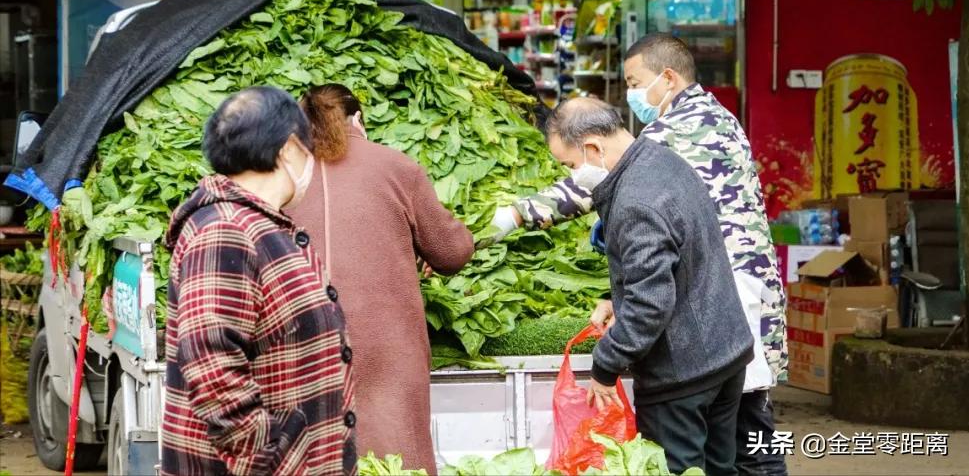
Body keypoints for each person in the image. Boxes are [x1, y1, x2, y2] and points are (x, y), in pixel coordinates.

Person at [491, 33, 788, 476]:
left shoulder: (669, 138)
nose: (632, 94)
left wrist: (513, 216)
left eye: (634, 81)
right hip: (728, 313)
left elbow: (594, 189)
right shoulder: (715, 117)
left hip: (711, 313)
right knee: (737, 443)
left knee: (744, 449)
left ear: (668, 77)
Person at [545, 97, 753, 476]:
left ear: (592, 147)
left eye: (570, 165)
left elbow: (651, 303)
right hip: (725, 353)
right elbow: (675, 259)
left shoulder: (635, 200)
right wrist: (617, 297)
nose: (573, 176)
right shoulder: (661, 160)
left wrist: (606, 364)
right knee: (719, 467)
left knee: (679, 469)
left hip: (685, 372)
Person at [161, 86, 356, 476]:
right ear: (288, 149)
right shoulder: (223, 230)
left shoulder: (265, 226)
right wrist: (269, 458)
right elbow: (213, 367)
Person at [288, 84, 475, 474]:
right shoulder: (396, 166)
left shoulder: (282, 175)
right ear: (358, 120)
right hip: (386, 347)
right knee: (395, 454)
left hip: (302, 343)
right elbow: (453, 252)